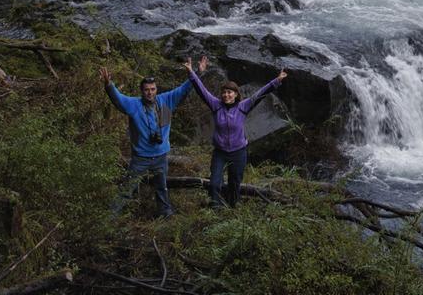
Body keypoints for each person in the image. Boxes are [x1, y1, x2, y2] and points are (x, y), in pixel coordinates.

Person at [100, 60, 203, 217]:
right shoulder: (134, 104)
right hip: (141, 157)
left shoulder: (167, 100)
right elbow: (118, 99)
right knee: (127, 189)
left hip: (161, 156)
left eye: (153, 89)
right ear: (142, 91)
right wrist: (109, 85)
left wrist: (197, 72)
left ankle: (165, 213)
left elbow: (186, 88)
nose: (150, 92)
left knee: (162, 187)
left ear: (157, 90)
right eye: (147, 90)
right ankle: (110, 217)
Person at [184, 55, 287, 207]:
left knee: (234, 184)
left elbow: (260, 94)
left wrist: (276, 81)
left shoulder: (243, 106)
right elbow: (201, 90)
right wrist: (191, 72)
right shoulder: (215, 105)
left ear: (236, 94)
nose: (226, 95)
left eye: (230, 92)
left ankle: (232, 208)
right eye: (224, 92)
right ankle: (216, 208)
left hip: (239, 151)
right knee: (214, 183)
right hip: (220, 152)